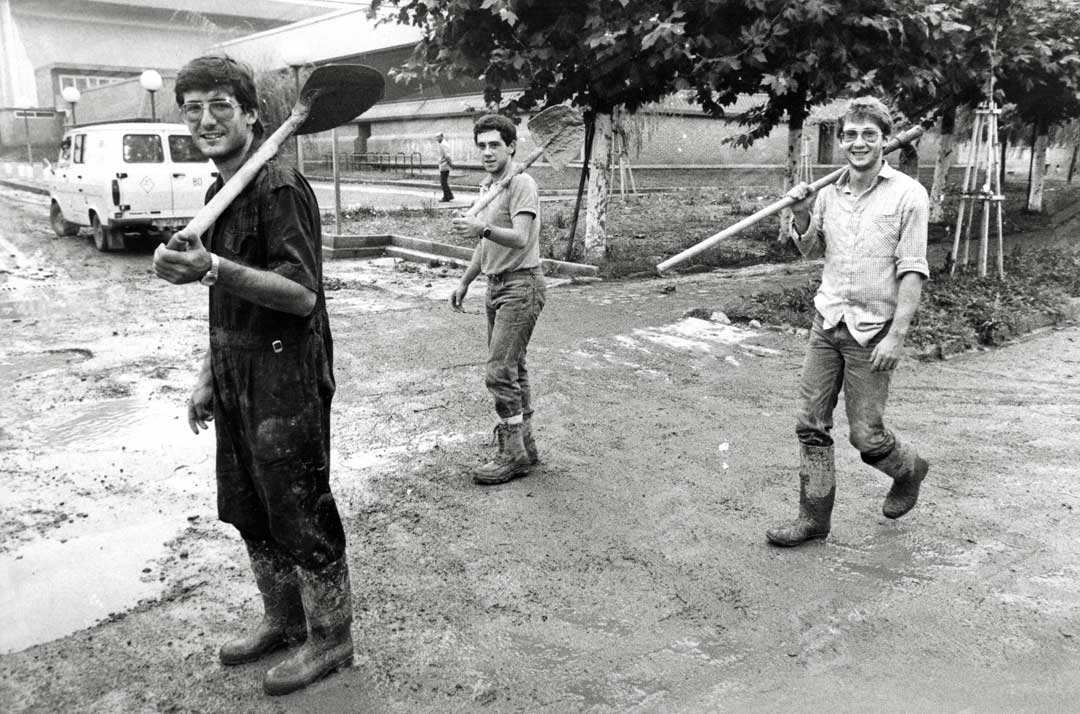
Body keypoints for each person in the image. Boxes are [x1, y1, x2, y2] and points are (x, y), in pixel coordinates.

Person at [151, 55, 353, 695]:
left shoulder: (280, 188)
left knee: (299, 509)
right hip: (238, 371)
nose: (206, 119)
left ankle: (331, 639)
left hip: (284, 374)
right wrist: (207, 374)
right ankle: (283, 619)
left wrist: (213, 268)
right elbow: (226, 302)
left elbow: (300, 296)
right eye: (193, 108)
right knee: (248, 507)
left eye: (220, 106)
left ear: (250, 115)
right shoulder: (220, 193)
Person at [766, 96, 931, 547]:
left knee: (867, 437)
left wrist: (897, 336)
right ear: (841, 141)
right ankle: (813, 518)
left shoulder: (908, 195)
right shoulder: (830, 192)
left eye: (869, 135)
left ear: (883, 141)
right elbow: (810, 251)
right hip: (828, 321)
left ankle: (909, 468)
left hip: (874, 329)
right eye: (851, 135)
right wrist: (801, 212)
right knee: (810, 422)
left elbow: (913, 270)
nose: (859, 143)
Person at [449, 113, 546, 485]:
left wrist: (481, 226)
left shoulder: (522, 183)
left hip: (522, 285)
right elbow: (485, 244)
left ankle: (512, 455)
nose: (487, 152)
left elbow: (520, 237)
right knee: (514, 367)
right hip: (496, 286)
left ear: (511, 147)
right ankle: (525, 446)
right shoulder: (491, 186)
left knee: (498, 371)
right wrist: (465, 281)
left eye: (495, 145)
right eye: (482, 146)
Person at [436, 131, 454, 202]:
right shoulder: (442, 144)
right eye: (436, 137)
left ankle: (447, 196)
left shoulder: (443, 145)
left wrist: (450, 164)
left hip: (444, 165)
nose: (437, 139)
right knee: (444, 181)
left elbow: (447, 156)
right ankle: (449, 195)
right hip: (443, 165)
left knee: (443, 182)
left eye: (438, 137)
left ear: (442, 137)